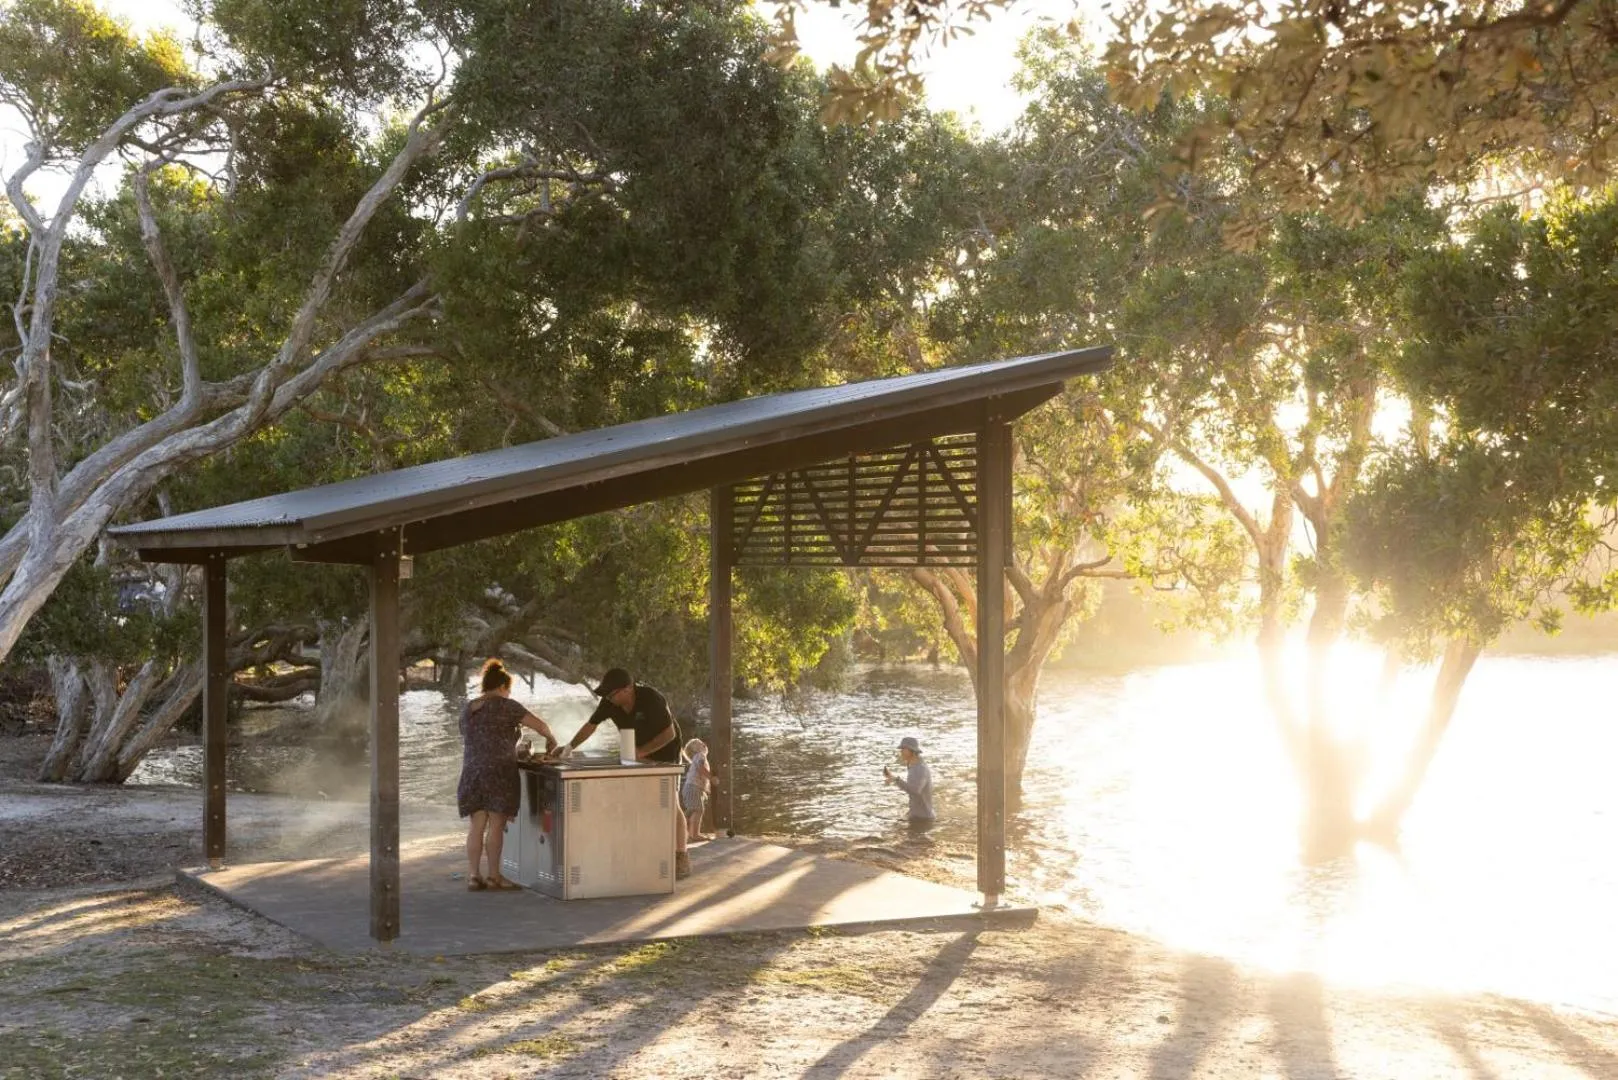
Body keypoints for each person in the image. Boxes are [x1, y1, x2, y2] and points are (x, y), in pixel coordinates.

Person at [563, 667, 692, 878]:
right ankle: (644, 849)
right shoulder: (609, 703)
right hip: (633, 752)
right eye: (607, 695)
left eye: (613, 694)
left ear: (628, 689)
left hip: (665, 750)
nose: (609, 699)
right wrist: (569, 747)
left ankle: (681, 855)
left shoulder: (651, 698)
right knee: (637, 799)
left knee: (670, 801)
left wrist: (643, 752)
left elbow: (669, 734)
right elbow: (591, 726)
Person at [458, 659, 558, 891]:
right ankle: (494, 876)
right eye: (508, 689)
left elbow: (471, 736)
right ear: (503, 686)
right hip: (500, 772)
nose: (508, 693)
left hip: (472, 771)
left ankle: (474, 875)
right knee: (495, 825)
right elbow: (540, 726)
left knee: (476, 825)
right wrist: (552, 740)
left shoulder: (468, 708)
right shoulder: (508, 706)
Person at [883, 735, 935, 824]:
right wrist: (893, 778)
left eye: (904, 749)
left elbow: (915, 790)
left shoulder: (920, 768)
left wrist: (896, 779)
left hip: (923, 819)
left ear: (913, 751)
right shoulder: (913, 766)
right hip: (917, 816)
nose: (901, 751)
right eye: (901, 749)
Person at [681, 737, 713, 842]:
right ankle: (694, 834)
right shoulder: (700, 756)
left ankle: (687, 833)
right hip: (693, 787)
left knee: (692, 810)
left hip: (691, 787)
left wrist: (706, 789)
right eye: (700, 744)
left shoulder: (697, 757)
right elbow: (700, 768)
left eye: (703, 743)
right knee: (698, 810)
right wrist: (712, 778)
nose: (704, 744)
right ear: (696, 749)